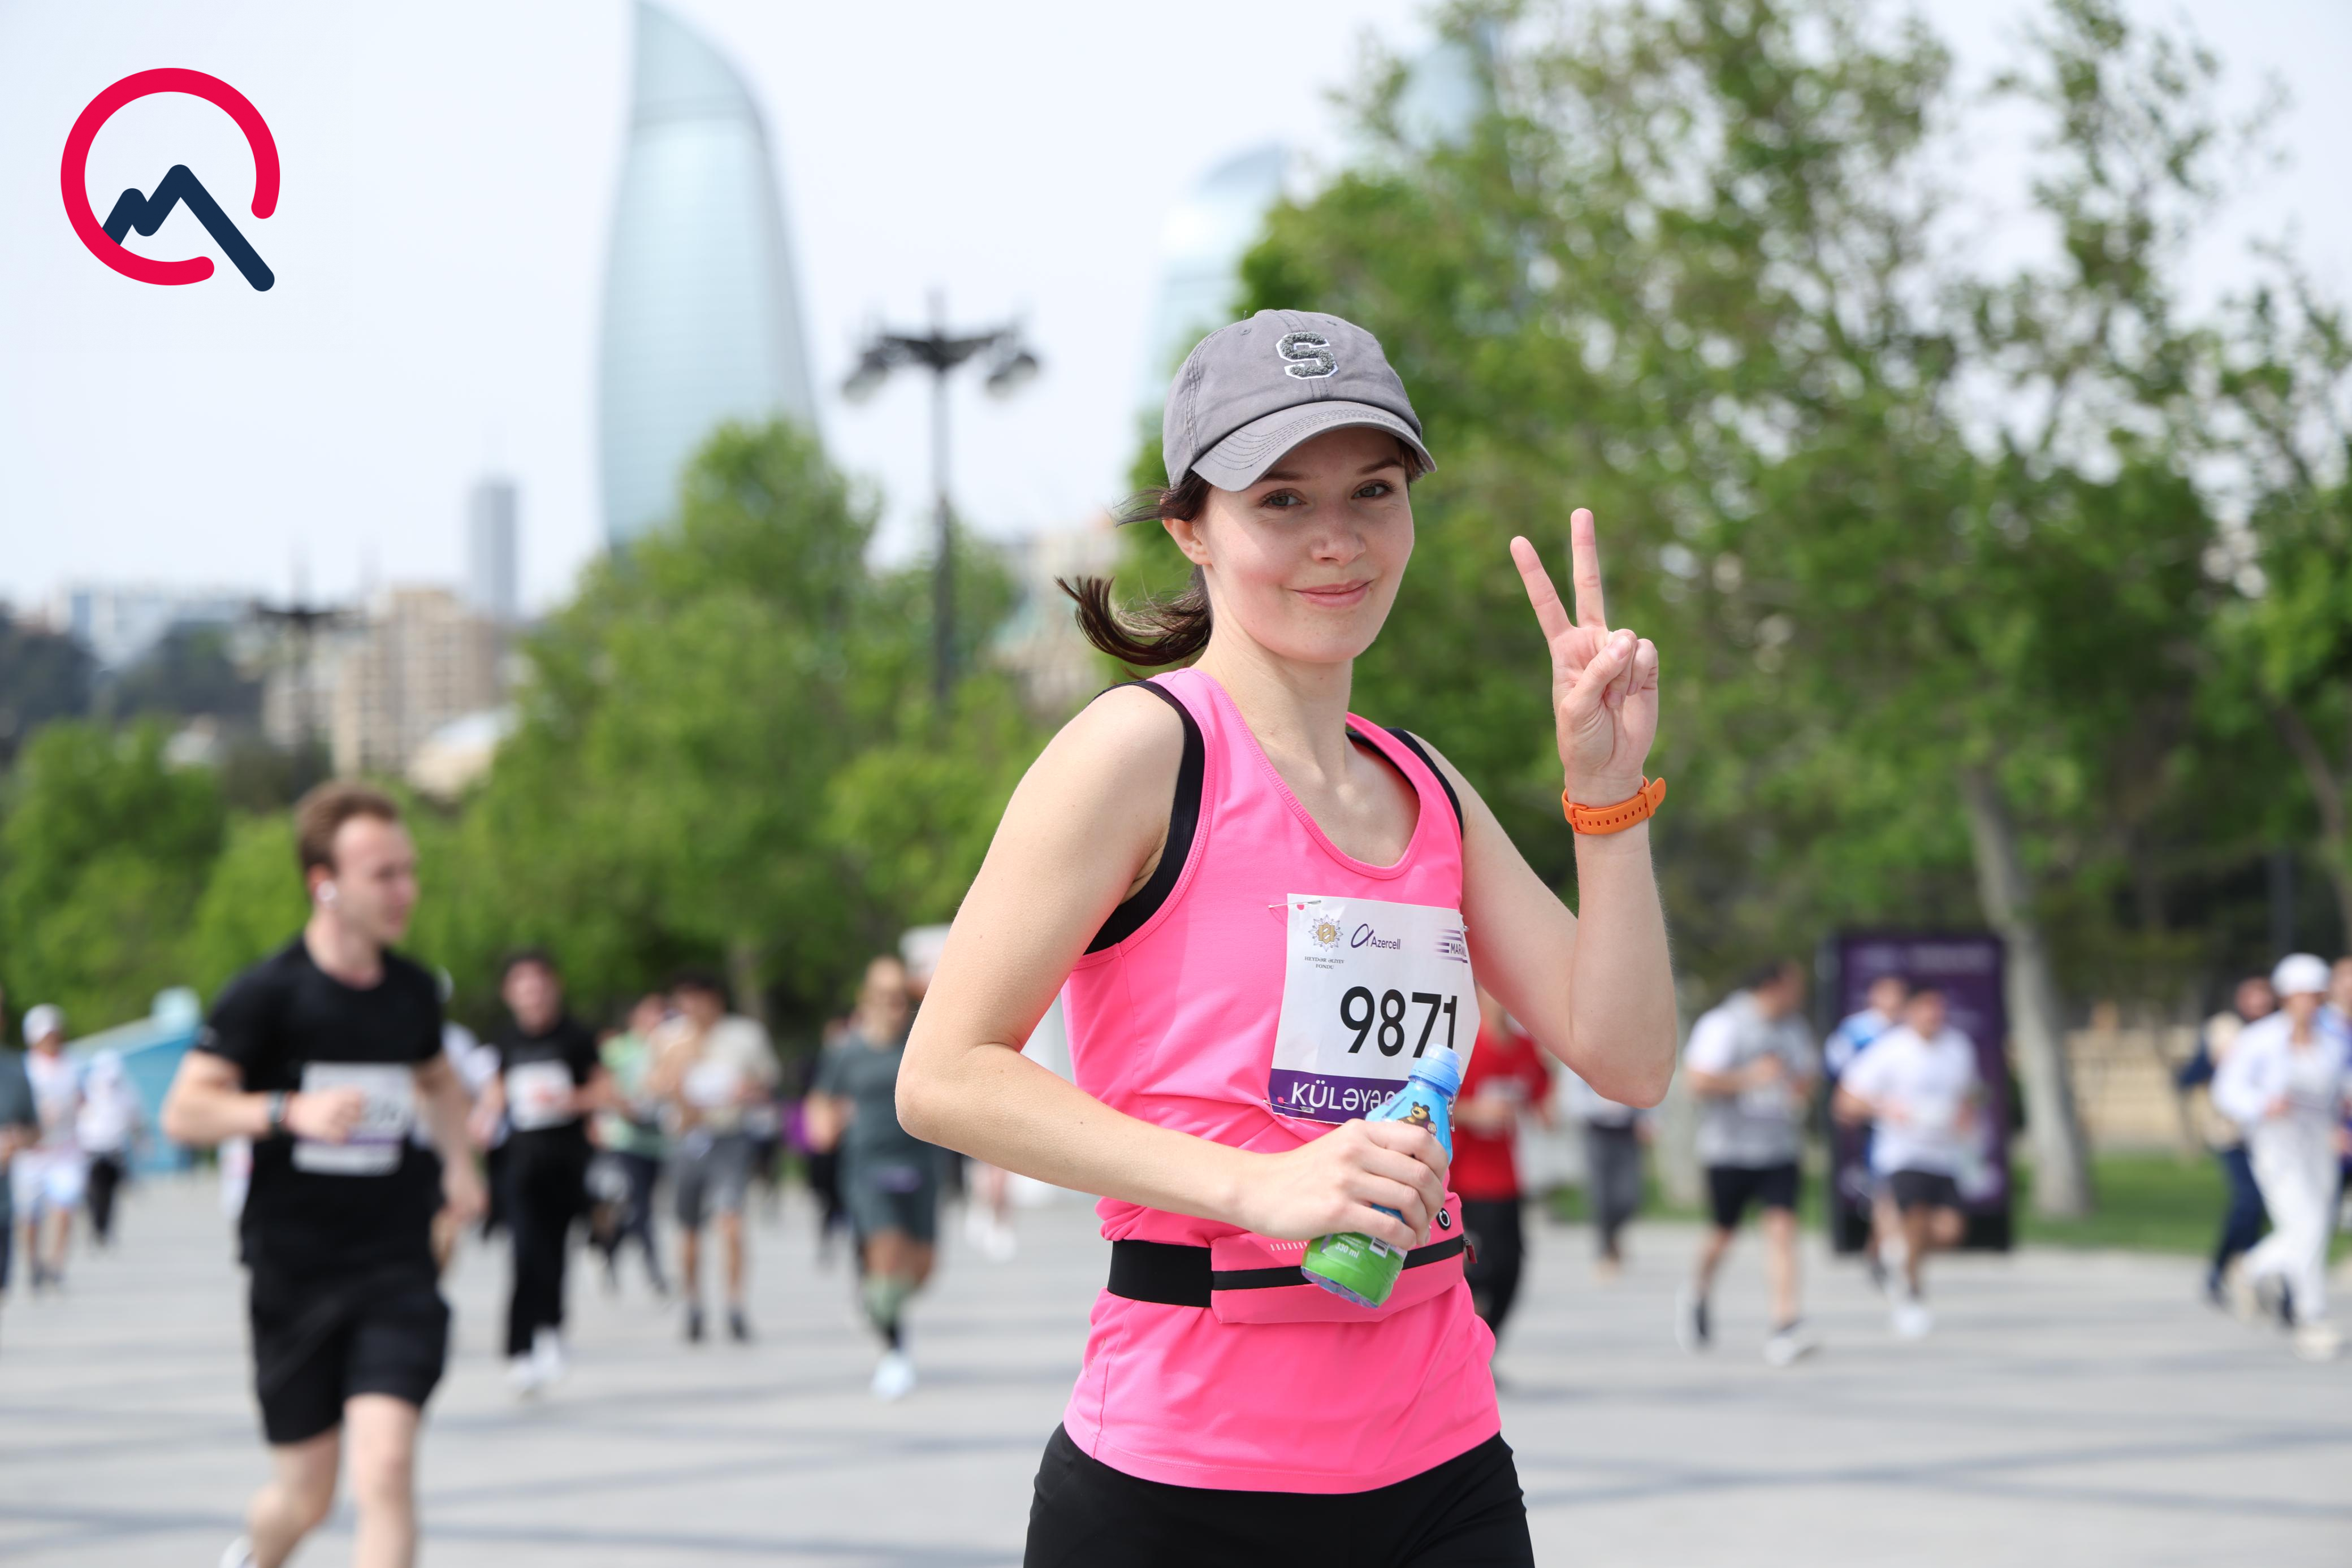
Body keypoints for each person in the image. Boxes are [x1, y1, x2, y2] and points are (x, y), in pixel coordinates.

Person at [896, 310, 1676, 1564]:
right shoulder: (1141, 752)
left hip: (1442, 1469)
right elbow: (943, 1076)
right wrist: (1256, 1185)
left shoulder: (1425, 784)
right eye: (1281, 499)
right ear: (1191, 529)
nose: (1337, 539)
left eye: (1373, 490)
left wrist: (1607, 795)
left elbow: (1627, 1057)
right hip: (1182, 1480)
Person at [159, 782, 483, 1568]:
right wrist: (285, 1110)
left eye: (409, 870)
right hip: (296, 1271)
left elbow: (438, 1079)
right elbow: (184, 1112)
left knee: (387, 1466)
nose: (406, 890)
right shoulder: (266, 993)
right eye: (384, 874)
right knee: (306, 1497)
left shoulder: (413, 990)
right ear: (324, 882)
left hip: (397, 1262)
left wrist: (462, 1166)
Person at [470, 949, 609, 1394]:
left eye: (539, 983)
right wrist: (482, 1119)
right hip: (518, 1161)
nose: (532, 993)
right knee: (524, 1251)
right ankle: (519, 1346)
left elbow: (605, 1089)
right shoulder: (502, 1040)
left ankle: (552, 1329)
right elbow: (492, 1093)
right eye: (522, 984)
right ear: (510, 993)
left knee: (556, 1251)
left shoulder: (576, 1036)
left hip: (565, 1159)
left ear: (554, 987)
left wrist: (572, 1101)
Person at [808, 955, 939, 1400]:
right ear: (866, 998)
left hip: (919, 1163)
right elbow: (821, 1098)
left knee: (921, 1270)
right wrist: (822, 1125)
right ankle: (894, 1352)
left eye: (900, 996)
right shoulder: (847, 1050)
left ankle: (875, 1302)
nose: (893, 1005)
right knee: (887, 1253)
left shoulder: (924, 1041)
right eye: (884, 996)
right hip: (867, 1164)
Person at [1677, 960, 1820, 1366]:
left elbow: (1807, 1075)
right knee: (1723, 1233)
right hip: (1730, 1149)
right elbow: (1697, 1081)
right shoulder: (1725, 1023)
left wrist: (1797, 1088)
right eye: (1794, 985)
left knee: (1782, 1229)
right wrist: (1750, 1077)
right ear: (1773, 987)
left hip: (1779, 1147)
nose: (1800, 994)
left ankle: (1785, 1324)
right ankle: (1697, 1291)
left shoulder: (1794, 1028)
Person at [2212, 954, 2352, 1361]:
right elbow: (2228, 1090)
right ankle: (2311, 1317)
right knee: (2306, 1225)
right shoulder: (2260, 1040)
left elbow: (2340, 1088)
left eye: (2315, 995)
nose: (2309, 1003)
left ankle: (2250, 1269)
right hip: (2276, 1143)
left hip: (2320, 1143)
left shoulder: (2332, 1040)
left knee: (2318, 1225)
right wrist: (2261, 1105)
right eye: (2301, 995)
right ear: (2287, 997)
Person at [1833, 984, 1982, 1340]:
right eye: (1926, 1009)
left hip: (1945, 1154)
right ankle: (1911, 1295)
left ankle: (1892, 1252)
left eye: (1939, 1009)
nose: (1934, 1016)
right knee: (1913, 1217)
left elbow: (1971, 1093)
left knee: (1949, 1231)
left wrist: (1966, 1113)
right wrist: (1886, 1108)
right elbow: (1845, 1102)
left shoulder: (1958, 1047)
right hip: (1903, 1153)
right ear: (1911, 1012)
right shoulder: (1890, 1049)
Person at [649, 970, 780, 1344]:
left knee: (731, 1222)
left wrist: (744, 1091)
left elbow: (767, 1081)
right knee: (688, 1228)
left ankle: (735, 1304)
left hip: (729, 1136)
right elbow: (651, 1085)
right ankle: (693, 1303)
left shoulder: (744, 1035)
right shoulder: (668, 1037)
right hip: (686, 1137)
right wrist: (674, 1080)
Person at [1455, 986, 1555, 1349]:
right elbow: (1426, 1105)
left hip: (1506, 1181)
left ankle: (1482, 1352)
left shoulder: (1524, 1048)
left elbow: (1544, 1107)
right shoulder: (1462, 1045)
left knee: (1511, 1271)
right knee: (1477, 1270)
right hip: (1464, 1179)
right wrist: (1473, 1113)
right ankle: (1460, 1351)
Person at [2175, 974, 2276, 1307]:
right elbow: (2191, 1076)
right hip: (2231, 1133)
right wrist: (2218, 1061)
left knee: (2264, 1207)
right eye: (2252, 997)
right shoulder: (2225, 1029)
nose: (2259, 1004)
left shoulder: (2280, 1030)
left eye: (2264, 997)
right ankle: (2224, 1270)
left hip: (2272, 1135)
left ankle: (2246, 1271)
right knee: (2248, 1202)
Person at [1826, 974, 1909, 1284]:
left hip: (1904, 1120)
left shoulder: (1907, 1029)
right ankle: (1888, 1250)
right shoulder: (1856, 1030)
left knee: (1895, 1189)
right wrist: (1852, 1105)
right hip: (1869, 1117)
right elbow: (1837, 1069)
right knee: (1883, 1187)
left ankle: (1879, 1248)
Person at [592, 993, 671, 1295]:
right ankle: (655, 1271)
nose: (657, 1021)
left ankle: (608, 1251)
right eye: (651, 1014)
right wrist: (622, 1106)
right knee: (639, 1207)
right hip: (624, 1139)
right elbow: (601, 1083)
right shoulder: (618, 1049)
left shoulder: (669, 1049)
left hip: (659, 1141)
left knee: (640, 1208)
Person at [13, 1004, 87, 1292]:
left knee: (65, 1207)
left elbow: (83, 1099)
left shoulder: (72, 1065)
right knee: (30, 1216)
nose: (51, 1040)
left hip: (64, 1149)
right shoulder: (24, 1067)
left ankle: (57, 1265)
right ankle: (34, 1263)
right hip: (33, 1152)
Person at [1561, 1067, 1646, 1279]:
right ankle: (1604, 1249)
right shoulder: (1584, 1056)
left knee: (1630, 1195)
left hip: (1627, 1130)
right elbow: (1572, 1098)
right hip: (1597, 1129)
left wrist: (1647, 1117)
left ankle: (1613, 1234)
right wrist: (1601, 1106)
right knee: (1601, 1195)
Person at [77, 1049, 144, 1248]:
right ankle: (97, 1225)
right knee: (94, 1192)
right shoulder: (87, 1090)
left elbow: (135, 1120)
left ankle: (105, 1229)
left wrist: (140, 1142)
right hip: (91, 1148)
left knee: (110, 1193)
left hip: (115, 1149)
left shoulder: (126, 1092)